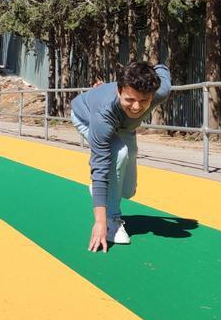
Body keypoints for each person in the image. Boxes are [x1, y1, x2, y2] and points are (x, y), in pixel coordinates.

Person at [71, 61, 171, 253]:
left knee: (128, 191)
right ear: (119, 91)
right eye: (129, 99)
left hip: (124, 127)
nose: (136, 107)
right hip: (86, 116)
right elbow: (99, 165)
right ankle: (113, 220)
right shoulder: (103, 114)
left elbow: (162, 67)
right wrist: (100, 222)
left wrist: (138, 69)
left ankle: (106, 192)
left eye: (144, 101)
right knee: (118, 154)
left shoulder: (161, 91)